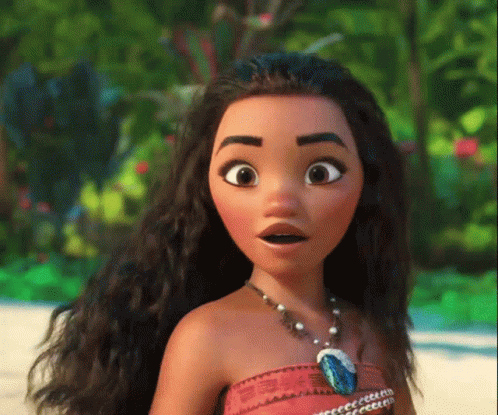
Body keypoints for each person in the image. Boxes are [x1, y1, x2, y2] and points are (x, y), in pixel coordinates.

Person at [27, 52, 419, 415]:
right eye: (243, 175)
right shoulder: (206, 337)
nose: (280, 203)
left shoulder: (373, 334)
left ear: (367, 182)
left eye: (321, 173)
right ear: (206, 189)